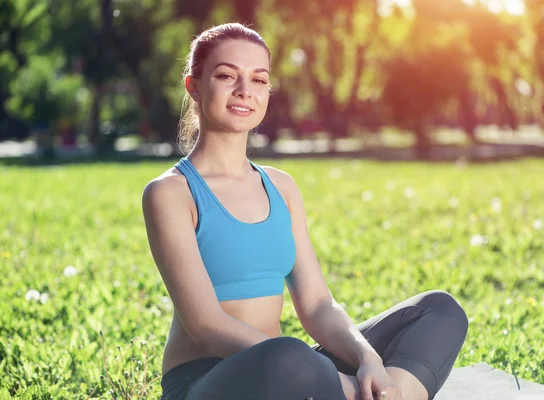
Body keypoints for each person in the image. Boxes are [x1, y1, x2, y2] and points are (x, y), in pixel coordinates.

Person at [142, 23, 468, 400]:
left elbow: (316, 305)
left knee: (439, 311)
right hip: (206, 382)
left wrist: (369, 360)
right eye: (227, 75)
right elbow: (205, 324)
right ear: (194, 86)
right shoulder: (170, 193)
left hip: (294, 375)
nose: (245, 90)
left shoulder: (281, 187)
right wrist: (323, 372)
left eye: (259, 79)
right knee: (290, 357)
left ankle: (387, 393)